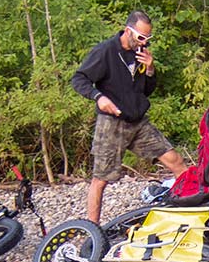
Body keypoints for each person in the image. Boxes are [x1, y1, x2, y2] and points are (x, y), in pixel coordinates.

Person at [71, 11, 188, 223]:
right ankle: (92, 229)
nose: (144, 42)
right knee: (101, 179)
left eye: (148, 38)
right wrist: (98, 97)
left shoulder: (140, 54)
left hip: (138, 122)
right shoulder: (106, 51)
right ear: (128, 31)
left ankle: (189, 212)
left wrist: (150, 70)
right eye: (141, 37)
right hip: (112, 123)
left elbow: (146, 91)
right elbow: (79, 79)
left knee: (176, 161)